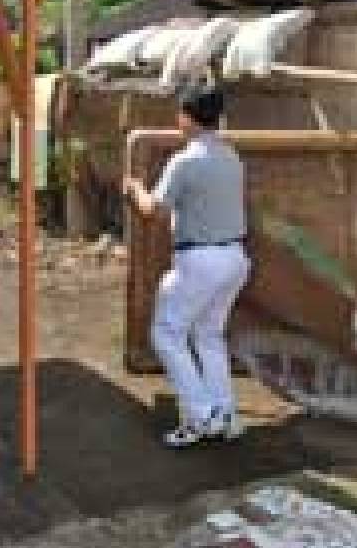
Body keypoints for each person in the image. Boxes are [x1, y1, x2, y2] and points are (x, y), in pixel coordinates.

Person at [123, 82, 250, 449]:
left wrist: (134, 188)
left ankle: (200, 416)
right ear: (219, 119)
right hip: (235, 259)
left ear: (185, 117)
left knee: (167, 334)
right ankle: (225, 416)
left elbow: (153, 212)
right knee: (209, 336)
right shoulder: (231, 156)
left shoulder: (186, 160)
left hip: (201, 260)